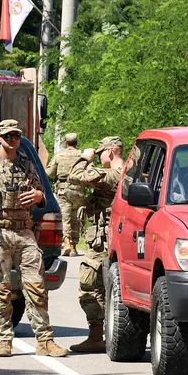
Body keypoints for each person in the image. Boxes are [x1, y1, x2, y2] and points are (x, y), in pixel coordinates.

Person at [0, 119, 69, 358]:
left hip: (24, 233)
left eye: (17, 135)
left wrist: (39, 196)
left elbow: (42, 194)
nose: (13, 139)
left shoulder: (27, 165)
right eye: (9, 136)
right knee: (1, 290)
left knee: (37, 287)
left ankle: (45, 340)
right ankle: (4, 339)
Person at [67, 136, 124, 353]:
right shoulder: (132, 172)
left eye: (101, 153)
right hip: (115, 240)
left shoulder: (113, 175)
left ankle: (96, 336)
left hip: (104, 244)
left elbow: (75, 176)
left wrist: (85, 156)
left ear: (110, 151)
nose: (99, 157)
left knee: (90, 287)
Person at [45, 132, 86, 257]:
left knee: (65, 218)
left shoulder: (59, 156)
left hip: (63, 190)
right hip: (79, 190)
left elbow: (50, 173)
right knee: (75, 219)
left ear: (66, 143)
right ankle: (74, 247)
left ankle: (67, 242)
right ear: (76, 143)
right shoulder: (82, 156)